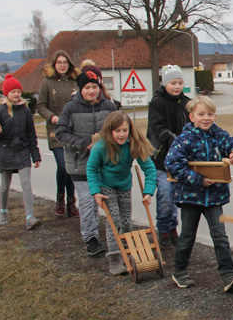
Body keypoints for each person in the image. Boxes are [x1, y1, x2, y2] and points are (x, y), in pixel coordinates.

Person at [164, 95, 233, 290]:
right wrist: (198, 180)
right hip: (190, 197)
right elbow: (172, 164)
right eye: (201, 114)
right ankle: (180, 272)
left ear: (215, 116)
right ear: (192, 117)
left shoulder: (219, 135)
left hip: (215, 197)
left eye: (210, 114)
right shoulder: (183, 140)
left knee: (220, 235)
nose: (206, 118)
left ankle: (228, 275)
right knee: (187, 236)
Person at [55, 62, 118, 258]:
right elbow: (61, 133)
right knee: (87, 202)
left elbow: (120, 127)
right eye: (87, 87)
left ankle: (113, 238)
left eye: (95, 86)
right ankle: (90, 239)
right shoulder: (71, 108)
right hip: (79, 163)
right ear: (80, 89)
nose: (92, 91)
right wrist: (82, 144)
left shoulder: (109, 106)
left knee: (107, 202)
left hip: (104, 163)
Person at [87, 111, 157, 275]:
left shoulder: (133, 144)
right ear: (110, 131)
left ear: (129, 130)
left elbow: (150, 169)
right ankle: (115, 259)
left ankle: (128, 253)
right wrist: (96, 192)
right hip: (106, 187)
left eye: (125, 130)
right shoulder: (101, 147)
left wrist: (148, 192)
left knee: (126, 221)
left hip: (124, 186)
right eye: (117, 131)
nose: (121, 134)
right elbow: (91, 169)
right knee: (114, 220)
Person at [145, 65, 192, 248]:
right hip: (161, 158)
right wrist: (174, 140)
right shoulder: (157, 103)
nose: (177, 86)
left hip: (181, 160)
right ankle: (164, 228)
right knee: (165, 193)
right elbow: (156, 127)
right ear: (165, 83)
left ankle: (173, 227)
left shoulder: (188, 103)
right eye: (173, 83)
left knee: (176, 196)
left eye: (180, 82)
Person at [0, 74, 42, 230]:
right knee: (5, 185)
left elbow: (31, 135)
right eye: (13, 91)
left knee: (26, 183)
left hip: (23, 150)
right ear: (7, 93)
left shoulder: (25, 112)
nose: (16, 94)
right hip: (5, 151)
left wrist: (35, 154)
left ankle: (30, 217)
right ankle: (3, 211)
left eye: (18, 91)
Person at [36, 50, 79, 218]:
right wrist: (52, 117)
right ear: (54, 65)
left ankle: (71, 201)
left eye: (65, 62)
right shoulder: (47, 83)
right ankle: (60, 197)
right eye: (59, 62)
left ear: (69, 65)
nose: (62, 65)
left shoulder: (75, 82)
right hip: (55, 131)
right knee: (63, 165)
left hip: (73, 130)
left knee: (71, 166)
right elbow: (40, 106)